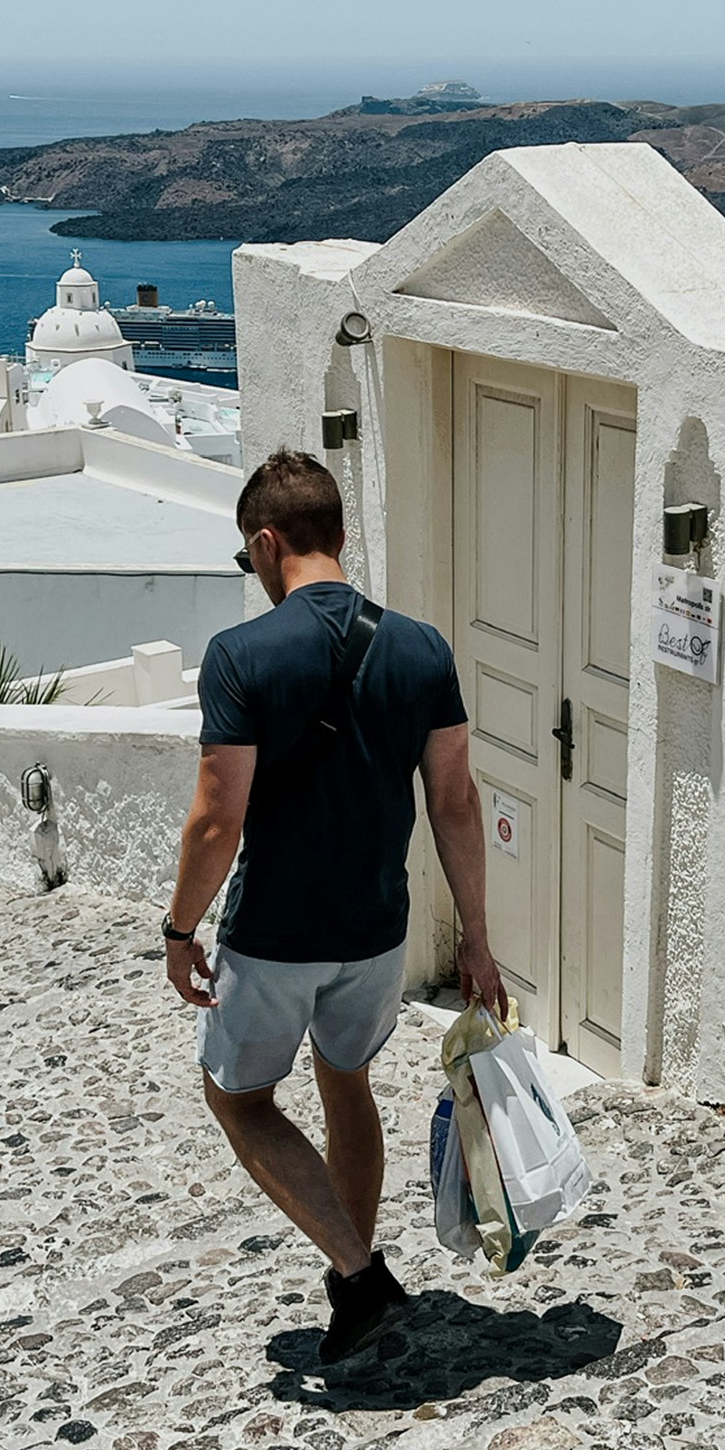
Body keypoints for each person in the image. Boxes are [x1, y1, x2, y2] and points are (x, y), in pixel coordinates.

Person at [165, 449, 504, 1364]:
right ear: (340, 536)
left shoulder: (240, 656)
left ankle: (358, 1274)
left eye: (250, 558)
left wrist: (179, 929)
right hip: (377, 932)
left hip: (276, 934)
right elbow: (458, 801)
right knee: (344, 1081)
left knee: (237, 1099)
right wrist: (475, 938)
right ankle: (355, 1288)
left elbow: (216, 819)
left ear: (268, 543)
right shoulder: (423, 648)